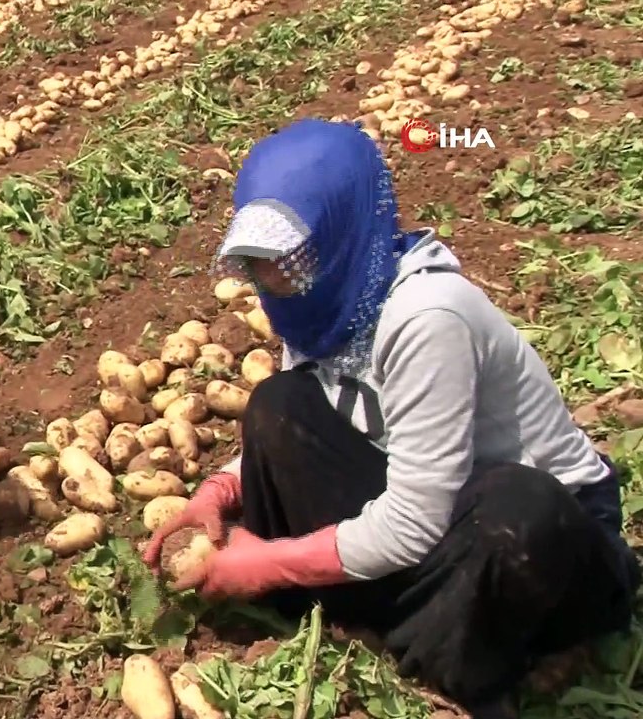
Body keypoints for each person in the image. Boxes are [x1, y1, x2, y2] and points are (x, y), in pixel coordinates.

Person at [142, 119, 640, 718]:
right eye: (259, 261)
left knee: (518, 510)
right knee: (279, 405)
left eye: (289, 258)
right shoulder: (322, 300)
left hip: (546, 549)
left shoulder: (428, 317)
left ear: (343, 232)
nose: (272, 279)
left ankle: (475, 657)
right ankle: (386, 614)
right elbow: (327, 419)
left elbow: (415, 519)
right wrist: (220, 490)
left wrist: (270, 564)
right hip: (436, 509)